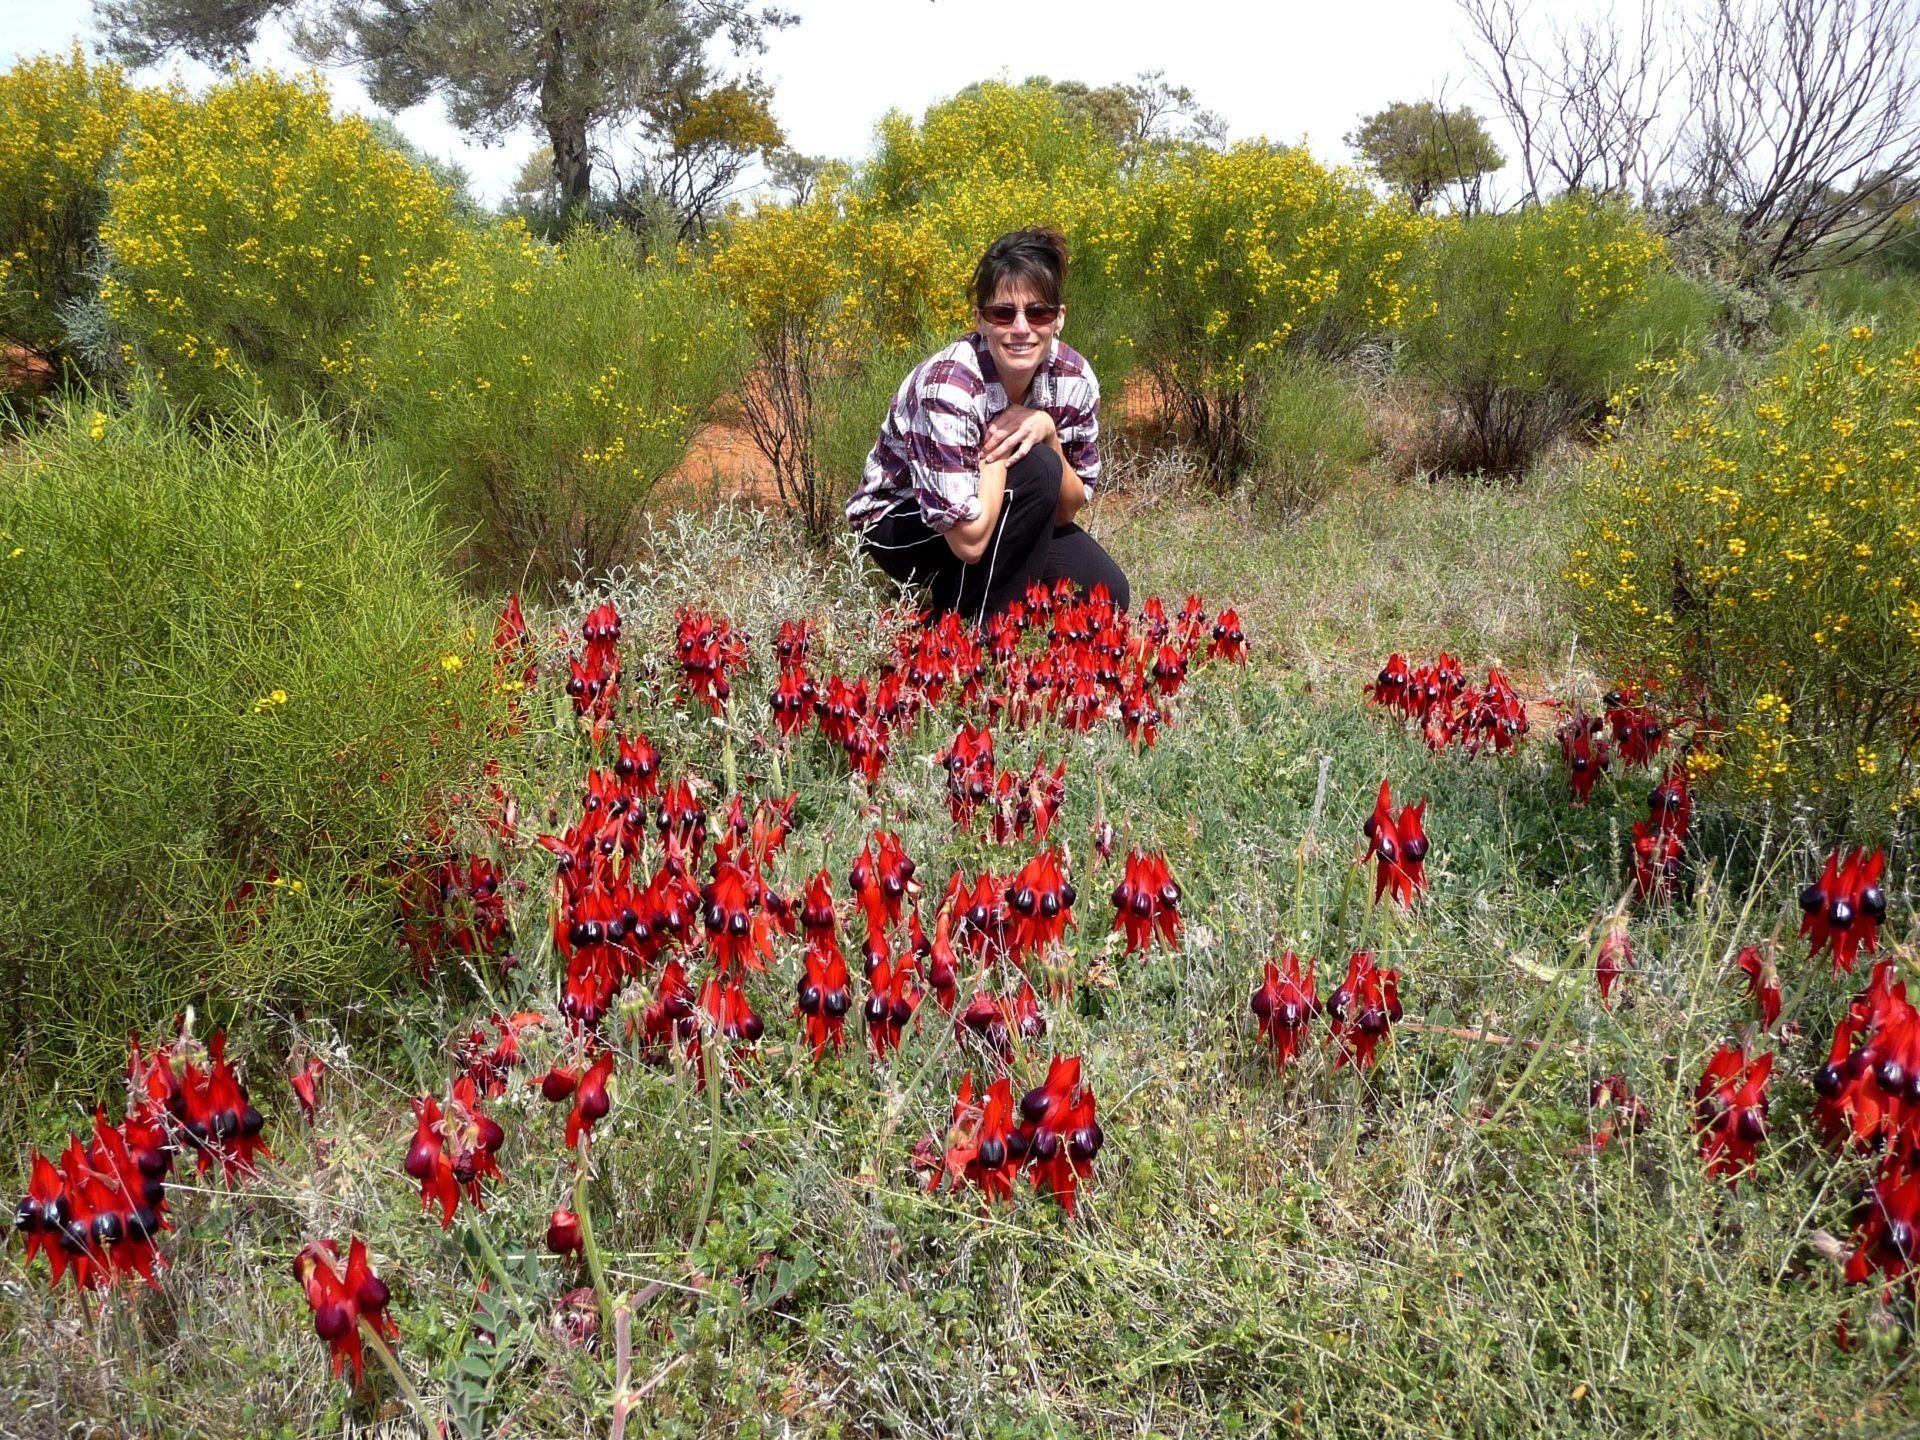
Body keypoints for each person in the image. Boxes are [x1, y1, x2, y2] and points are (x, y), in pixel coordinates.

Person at [845, 227, 1130, 622]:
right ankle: (976, 630)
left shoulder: (1073, 378)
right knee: (1035, 470)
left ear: (1058, 318)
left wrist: (1046, 429)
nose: (1021, 328)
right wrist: (998, 450)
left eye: (1038, 312)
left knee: (1104, 593)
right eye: (1002, 313)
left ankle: (988, 605)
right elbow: (968, 543)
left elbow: (1067, 508)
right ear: (980, 320)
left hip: (995, 505)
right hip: (901, 521)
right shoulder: (950, 385)